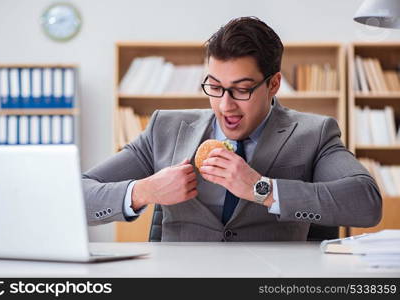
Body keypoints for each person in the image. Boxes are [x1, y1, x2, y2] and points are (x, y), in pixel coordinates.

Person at [82, 16, 381, 241]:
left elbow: (366, 203)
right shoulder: (165, 129)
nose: (226, 105)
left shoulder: (313, 133)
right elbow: (77, 196)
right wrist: (143, 191)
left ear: (273, 84)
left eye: (242, 90)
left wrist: (262, 189)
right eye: (214, 87)